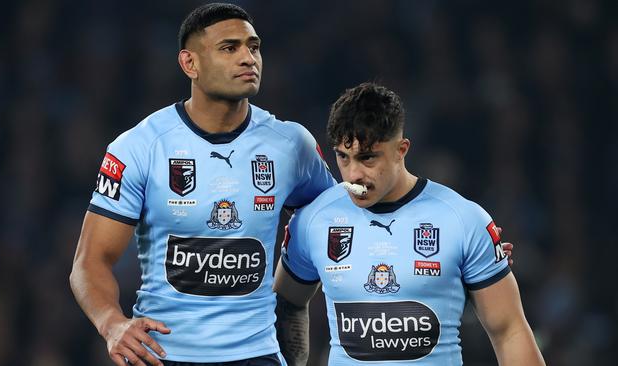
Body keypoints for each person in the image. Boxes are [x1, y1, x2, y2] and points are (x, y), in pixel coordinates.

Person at [69, 3, 336, 365]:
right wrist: (112, 323)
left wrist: (296, 288)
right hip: (161, 354)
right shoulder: (140, 146)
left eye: (254, 47)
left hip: (256, 355)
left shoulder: (291, 145)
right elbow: (90, 261)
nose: (248, 58)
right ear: (189, 63)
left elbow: (336, 220)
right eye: (230, 48)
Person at [273, 82, 544, 365]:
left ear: (401, 150)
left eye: (367, 158)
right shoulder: (314, 220)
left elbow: (509, 332)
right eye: (343, 156)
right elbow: (283, 305)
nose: (353, 174)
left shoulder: (463, 219)